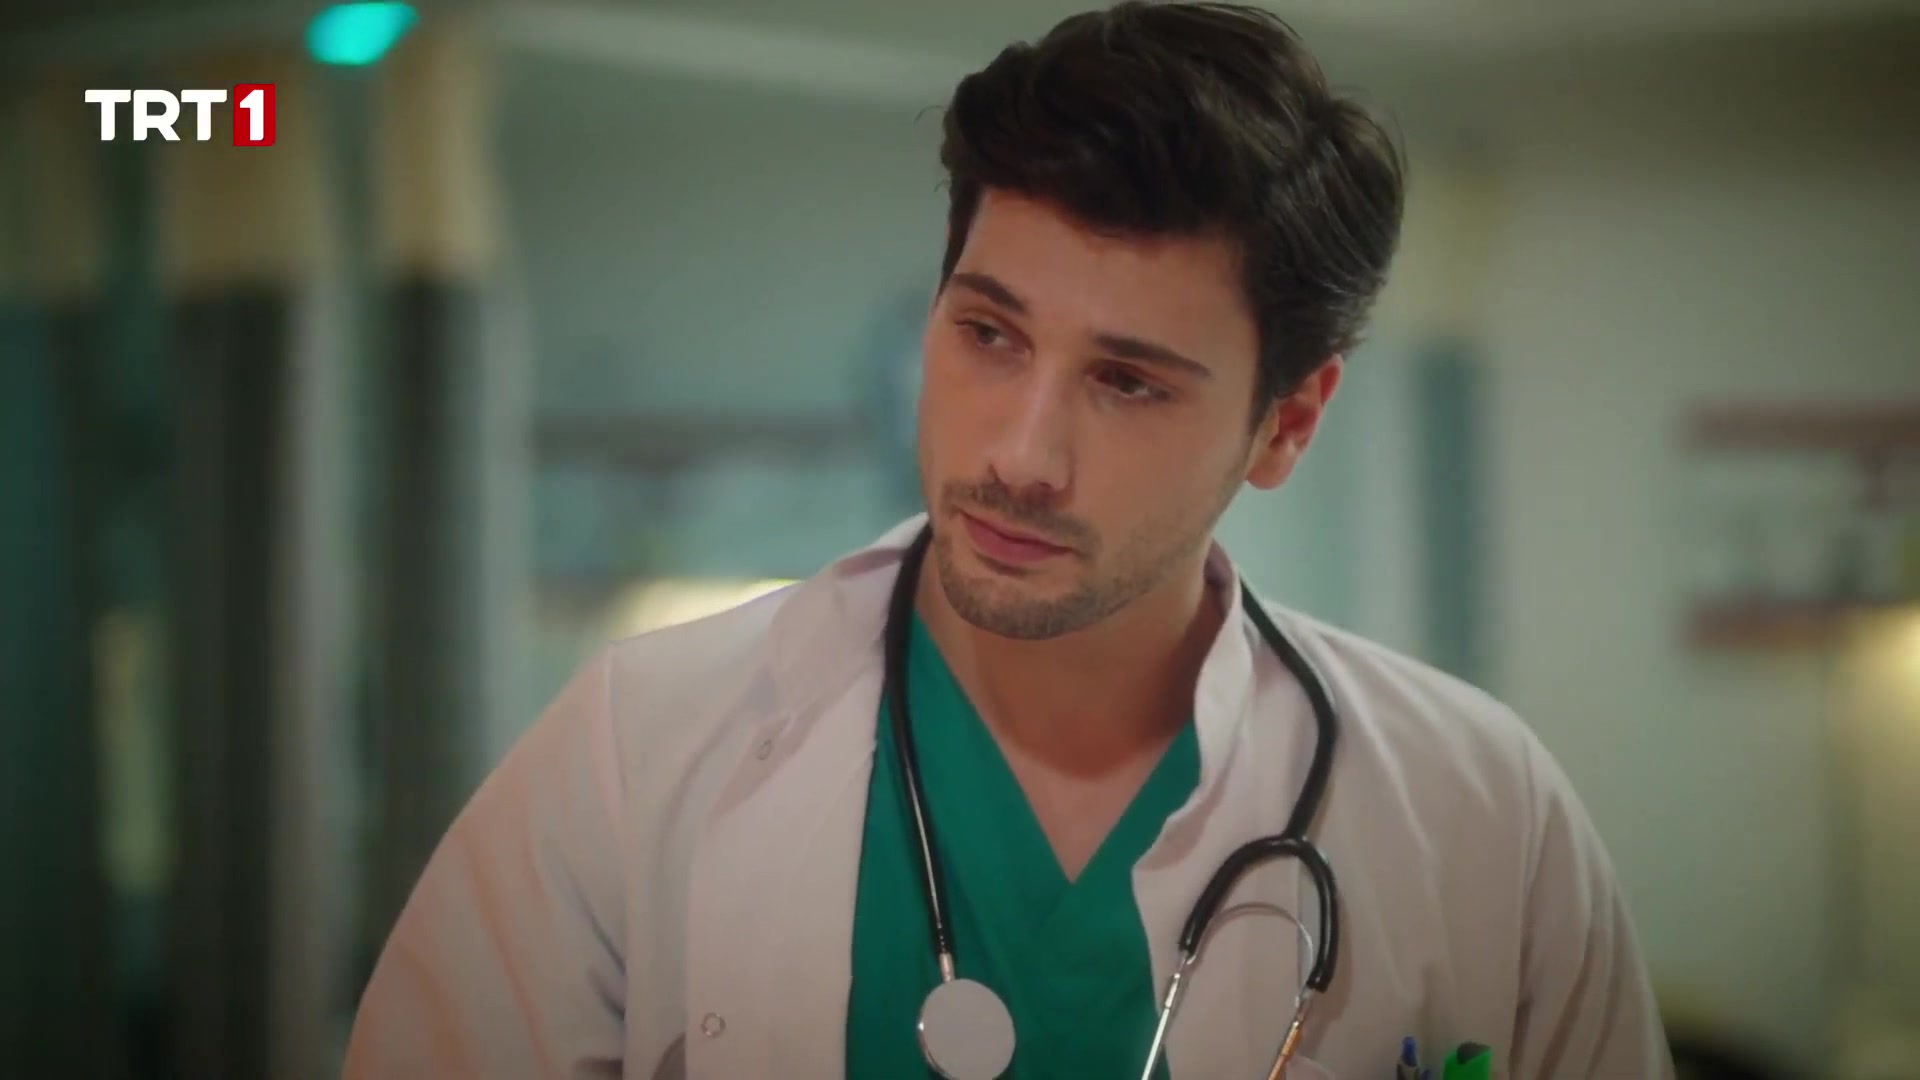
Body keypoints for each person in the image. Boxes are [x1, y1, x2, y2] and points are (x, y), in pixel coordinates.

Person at [344, 3, 1676, 1078]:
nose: (1020, 457)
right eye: (988, 333)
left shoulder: (1483, 817)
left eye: (1128, 382)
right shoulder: (634, 754)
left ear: (1286, 424)